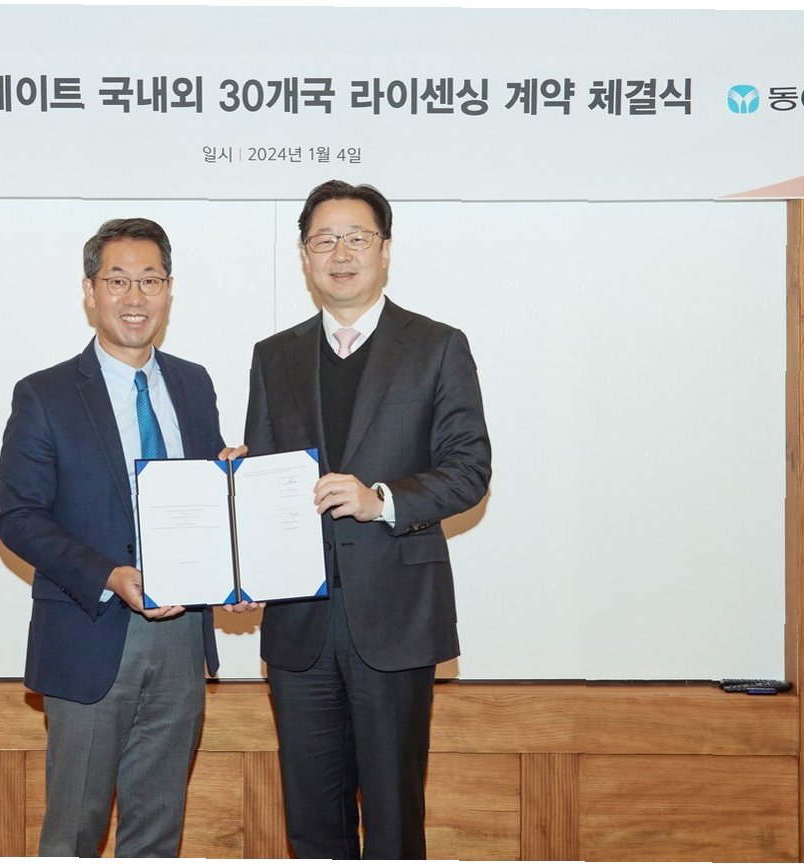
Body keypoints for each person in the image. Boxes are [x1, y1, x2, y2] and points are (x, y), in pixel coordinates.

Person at [238, 180, 492, 858]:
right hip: (300, 625)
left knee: (392, 820)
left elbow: (470, 469)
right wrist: (242, 502)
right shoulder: (274, 355)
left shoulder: (437, 346)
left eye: (357, 238)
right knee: (311, 825)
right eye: (324, 240)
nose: (340, 253)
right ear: (303, 255)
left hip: (396, 619)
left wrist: (382, 500)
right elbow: (266, 476)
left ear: (384, 250)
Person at [0, 217, 238, 857]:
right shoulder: (44, 394)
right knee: (74, 831)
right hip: (90, 633)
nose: (136, 297)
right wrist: (108, 575)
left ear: (169, 289)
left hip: (182, 637)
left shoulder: (193, 383)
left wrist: (239, 525)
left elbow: (205, 503)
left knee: (157, 831)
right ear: (90, 291)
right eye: (118, 280)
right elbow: (18, 517)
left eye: (150, 280)